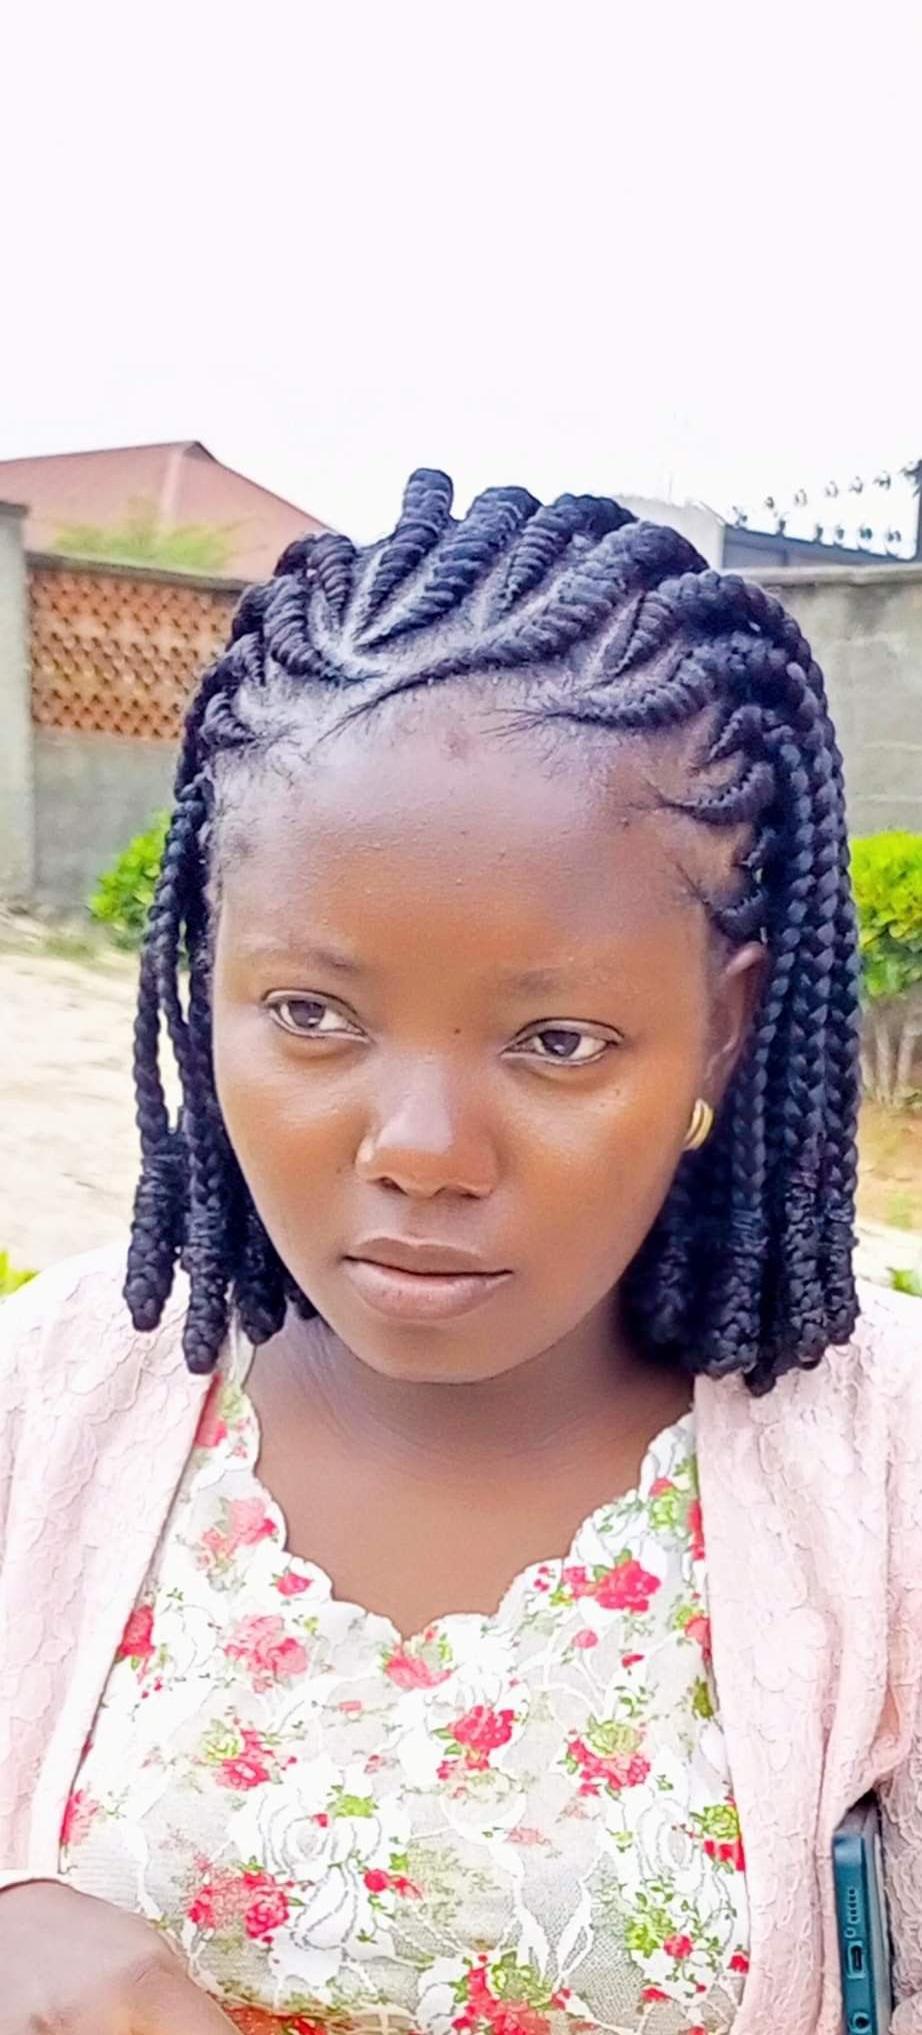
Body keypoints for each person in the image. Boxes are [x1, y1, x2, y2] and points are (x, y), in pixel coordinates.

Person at [0, 471, 919, 2035]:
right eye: (311, 1014)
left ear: (724, 1026)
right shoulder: (46, 1404)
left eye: (557, 1040)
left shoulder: (882, 1472)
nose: (421, 1149)